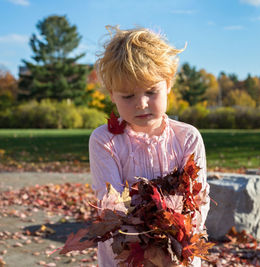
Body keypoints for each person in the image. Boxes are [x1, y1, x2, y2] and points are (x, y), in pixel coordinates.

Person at [89, 26, 210, 267]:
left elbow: (197, 199)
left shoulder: (187, 138)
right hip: (126, 252)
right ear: (112, 94)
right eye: (128, 96)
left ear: (168, 85)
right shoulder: (105, 140)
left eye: (151, 91)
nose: (141, 104)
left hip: (176, 252)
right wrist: (146, 245)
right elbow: (111, 202)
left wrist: (173, 241)